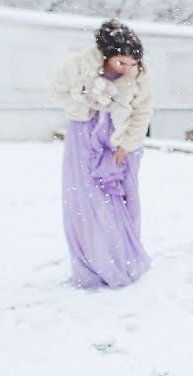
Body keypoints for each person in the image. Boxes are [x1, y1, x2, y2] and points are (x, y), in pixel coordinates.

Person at [52, 19, 154, 288]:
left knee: (121, 202)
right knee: (87, 201)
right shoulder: (79, 66)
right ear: (106, 54)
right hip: (85, 138)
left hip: (121, 142)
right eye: (121, 62)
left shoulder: (139, 76)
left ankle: (122, 260)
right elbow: (59, 91)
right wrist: (85, 103)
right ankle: (94, 263)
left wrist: (126, 145)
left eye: (132, 63)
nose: (127, 69)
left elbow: (143, 112)